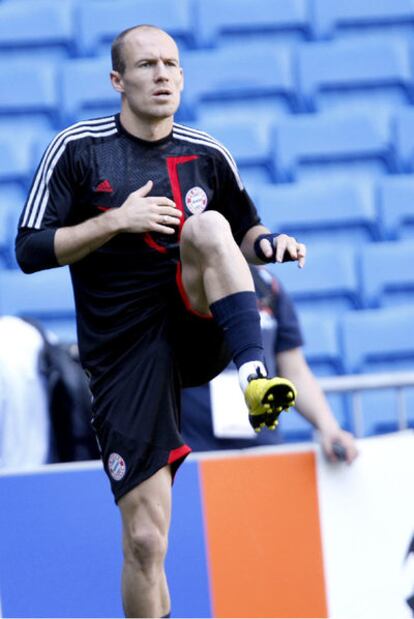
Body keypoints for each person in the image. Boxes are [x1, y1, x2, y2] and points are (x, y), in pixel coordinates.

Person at [15, 25, 306, 618]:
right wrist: (114, 221)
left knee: (208, 228)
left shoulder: (207, 153)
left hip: (194, 320)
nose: (162, 75)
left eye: (171, 64)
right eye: (146, 65)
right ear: (118, 80)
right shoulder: (78, 149)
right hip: (122, 355)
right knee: (146, 542)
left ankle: (255, 376)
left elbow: (246, 233)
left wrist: (270, 243)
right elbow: (28, 250)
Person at [182, 265, 358, 463]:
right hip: (194, 456)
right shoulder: (177, 281)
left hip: (264, 450)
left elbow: (294, 370)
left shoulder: (267, 285)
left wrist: (328, 427)